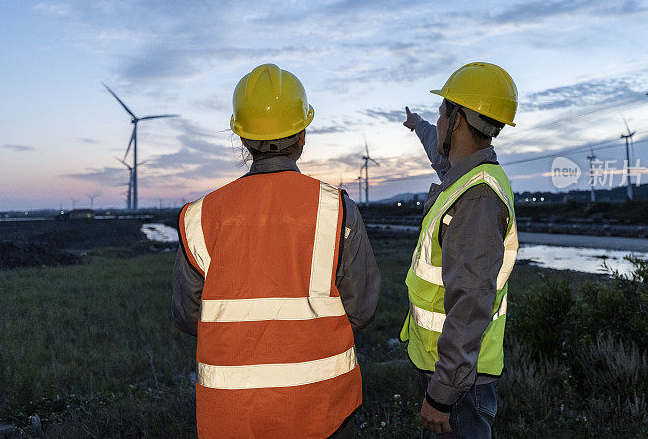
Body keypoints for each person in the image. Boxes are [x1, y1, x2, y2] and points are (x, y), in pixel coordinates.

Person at [171, 63, 380, 438]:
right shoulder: (337, 208)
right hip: (324, 410)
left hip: (231, 415)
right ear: (302, 134)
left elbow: (188, 317)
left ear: (242, 138)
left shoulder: (199, 216)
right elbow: (362, 309)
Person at [400, 62, 519, 437]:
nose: (438, 122)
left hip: (459, 384)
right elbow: (440, 156)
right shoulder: (466, 176)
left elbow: (469, 304)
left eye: (441, 113)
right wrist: (418, 124)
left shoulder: (478, 198)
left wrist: (441, 395)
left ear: (459, 120)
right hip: (451, 371)